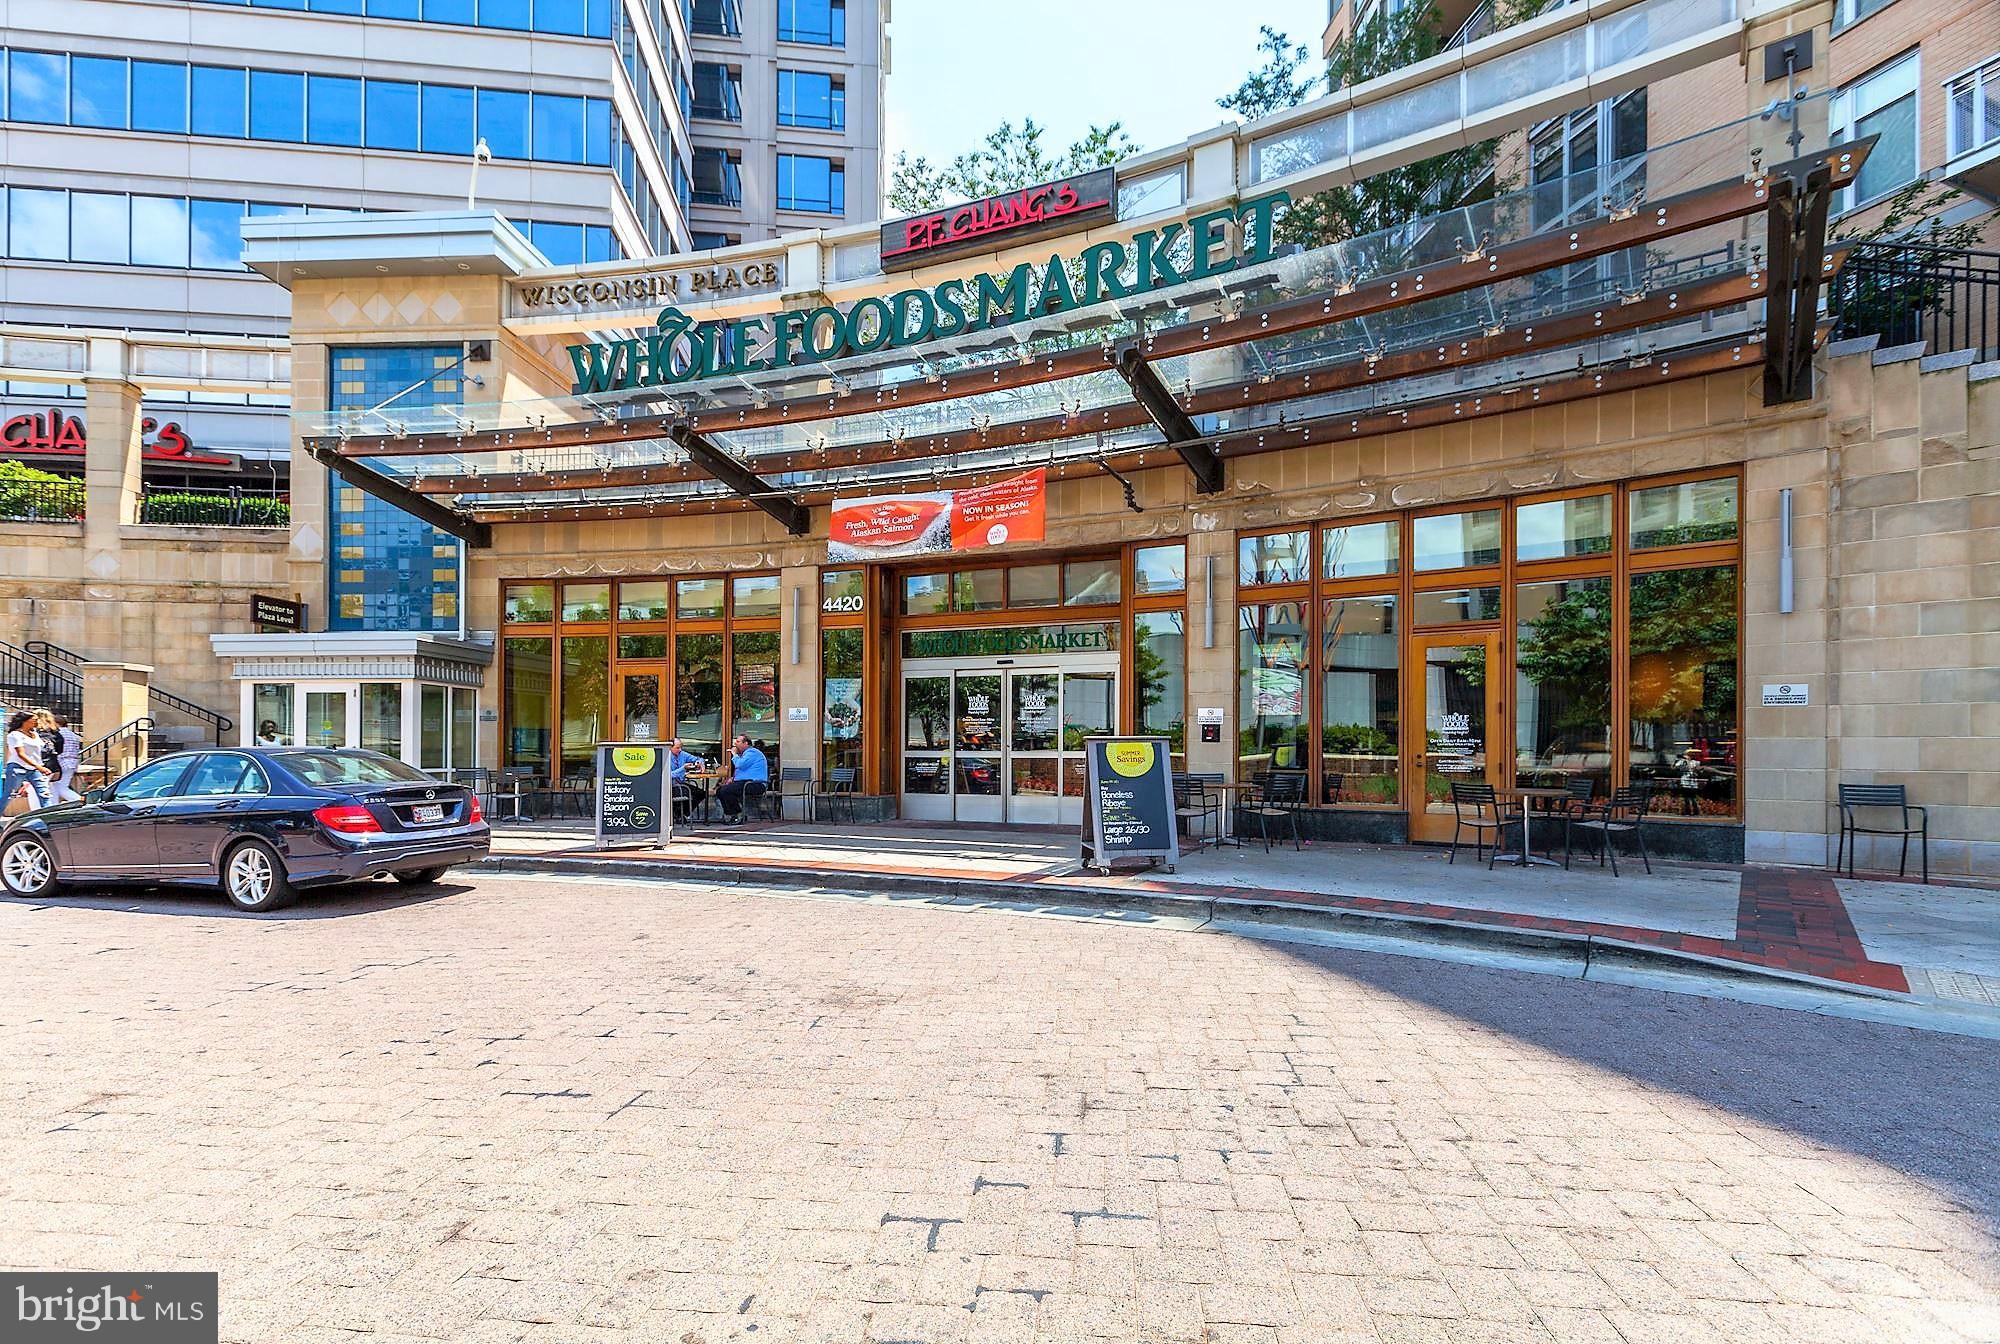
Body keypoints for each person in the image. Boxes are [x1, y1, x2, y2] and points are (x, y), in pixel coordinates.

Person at [4, 709, 55, 813]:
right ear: (25, 721)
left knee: (45, 795)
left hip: (35, 769)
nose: (37, 722)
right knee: (9, 795)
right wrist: (39, 767)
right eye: (34, 720)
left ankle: (49, 820)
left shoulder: (35, 734)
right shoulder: (15, 735)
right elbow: (21, 754)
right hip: (18, 767)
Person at [716, 733, 768, 824]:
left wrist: (734, 754)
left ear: (746, 743)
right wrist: (732, 779)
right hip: (746, 782)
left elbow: (740, 765)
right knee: (720, 790)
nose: (735, 744)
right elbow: (743, 771)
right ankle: (731, 814)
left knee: (727, 790)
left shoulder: (752, 753)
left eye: (738, 742)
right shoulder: (745, 754)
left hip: (756, 784)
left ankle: (738, 814)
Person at [665, 737, 707, 821]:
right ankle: (677, 814)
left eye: (681, 747)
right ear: (670, 748)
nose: (680, 750)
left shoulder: (682, 754)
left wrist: (700, 763)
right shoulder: (666, 757)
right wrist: (683, 768)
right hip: (670, 785)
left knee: (701, 793)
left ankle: (682, 814)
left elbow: (698, 759)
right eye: (677, 748)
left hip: (681, 783)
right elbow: (668, 775)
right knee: (687, 793)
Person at [51, 713, 83, 804]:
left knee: (58, 787)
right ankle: (53, 806)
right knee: (57, 786)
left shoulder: (57, 734)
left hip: (61, 762)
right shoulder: (73, 735)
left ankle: (79, 800)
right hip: (72, 763)